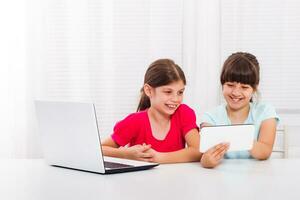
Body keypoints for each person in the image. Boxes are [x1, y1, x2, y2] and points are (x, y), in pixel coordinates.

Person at [101, 59, 201, 164]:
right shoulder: (135, 121)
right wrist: (126, 154)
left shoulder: (183, 113)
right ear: (148, 90)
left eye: (180, 92)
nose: (176, 99)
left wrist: (158, 158)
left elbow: (198, 151)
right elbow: (101, 149)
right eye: (168, 92)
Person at [200, 52, 280, 168]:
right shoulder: (210, 117)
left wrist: (233, 136)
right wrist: (206, 161)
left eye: (244, 87)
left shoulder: (265, 112)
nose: (236, 93)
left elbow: (265, 152)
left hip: (257, 177)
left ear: (254, 88)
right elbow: (205, 153)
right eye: (230, 85)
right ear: (222, 84)